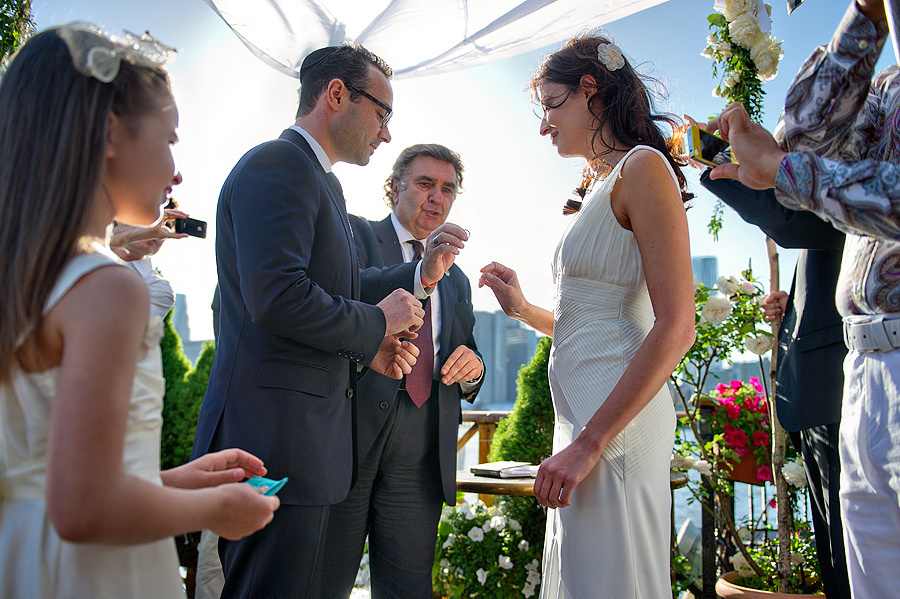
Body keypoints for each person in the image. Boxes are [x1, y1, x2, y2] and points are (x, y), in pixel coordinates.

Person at [0, 23, 280, 599]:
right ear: (109, 132)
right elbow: (84, 508)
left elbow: (51, 480)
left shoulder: (25, 276)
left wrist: (176, 482)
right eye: (170, 137)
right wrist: (212, 508)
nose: (177, 170)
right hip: (92, 577)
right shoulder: (108, 286)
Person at [191, 44, 467, 599]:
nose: (386, 133)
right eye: (382, 113)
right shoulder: (277, 164)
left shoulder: (319, 181)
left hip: (306, 447)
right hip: (271, 440)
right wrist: (375, 325)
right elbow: (278, 295)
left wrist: (412, 285)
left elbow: (334, 289)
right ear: (337, 95)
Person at [479, 35, 695, 598]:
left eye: (551, 104)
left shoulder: (643, 168)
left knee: (613, 578)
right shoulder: (599, 186)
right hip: (580, 419)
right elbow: (593, 318)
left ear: (590, 91)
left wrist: (592, 442)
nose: (544, 126)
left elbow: (676, 326)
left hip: (612, 425)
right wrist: (524, 309)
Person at [706, 2, 900, 596]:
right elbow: (805, 142)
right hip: (863, 367)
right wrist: (864, 21)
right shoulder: (888, 87)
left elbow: (797, 187)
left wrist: (780, 170)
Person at [320, 144, 483, 598]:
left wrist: (474, 368)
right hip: (348, 438)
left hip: (421, 449)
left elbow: (466, 349)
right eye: (425, 184)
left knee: (408, 590)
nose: (437, 197)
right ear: (394, 189)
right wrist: (417, 271)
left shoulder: (459, 278)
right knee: (323, 583)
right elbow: (338, 305)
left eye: (448, 189)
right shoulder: (352, 235)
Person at [695, 173, 850, 598]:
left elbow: (789, 218)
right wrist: (795, 308)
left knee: (850, 552)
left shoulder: (856, 177)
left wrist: (719, 161)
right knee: (835, 550)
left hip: (838, 395)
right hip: (820, 396)